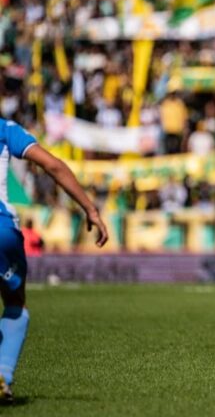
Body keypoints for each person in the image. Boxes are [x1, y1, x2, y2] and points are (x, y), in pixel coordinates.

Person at [0, 119, 108, 403]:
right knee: (14, 303)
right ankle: (2, 376)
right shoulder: (5, 129)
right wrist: (90, 208)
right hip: (1, 232)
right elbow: (54, 166)